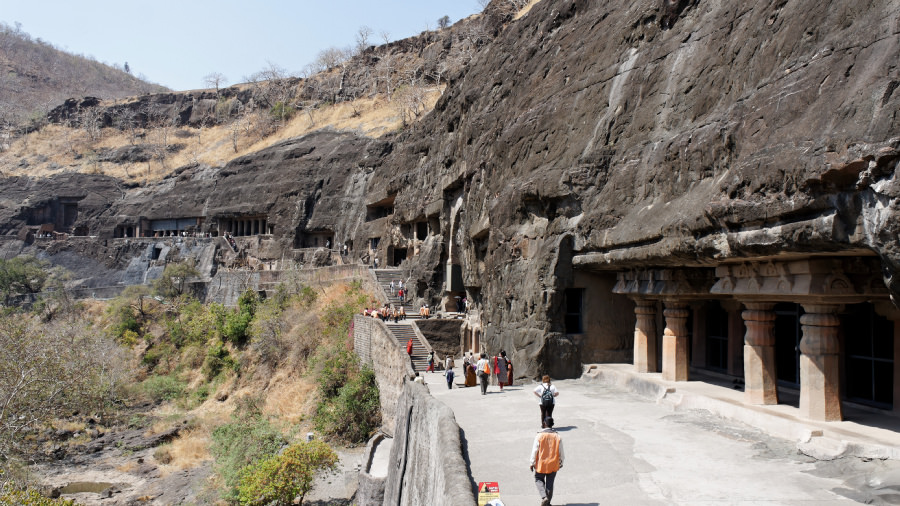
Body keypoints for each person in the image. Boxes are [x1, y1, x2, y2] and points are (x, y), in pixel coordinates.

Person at [530, 416, 564, 506]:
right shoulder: (557, 436)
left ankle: (544, 497)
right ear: (552, 425)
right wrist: (561, 462)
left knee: (538, 479)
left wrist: (532, 463)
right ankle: (548, 503)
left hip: (541, 464)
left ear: (544, 423)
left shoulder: (539, 436)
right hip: (553, 464)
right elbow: (561, 452)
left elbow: (535, 450)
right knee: (550, 483)